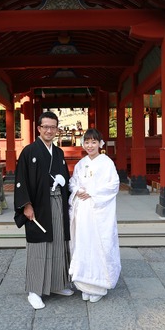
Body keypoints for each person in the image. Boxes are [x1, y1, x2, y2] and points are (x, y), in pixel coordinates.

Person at [14, 111, 73, 309]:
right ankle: (34, 290)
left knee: (58, 242)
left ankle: (56, 284)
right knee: (39, 245)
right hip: (38, 205)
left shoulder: (58, 152)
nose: (49, 130)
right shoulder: (29, 151)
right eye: (45, 127)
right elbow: (21, 180)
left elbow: (64, 177)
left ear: (57, 129)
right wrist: (26, 205)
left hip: (57, 203)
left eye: (53, 127)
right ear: (39, 128)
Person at [68, 128, 121, 303]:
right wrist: (77, 190)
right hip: (82, 210)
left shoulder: (106, 163)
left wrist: (90, 191)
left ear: (100, 144)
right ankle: (84, 284)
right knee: (83, 243)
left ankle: (99, 285)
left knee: (99, 244)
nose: (90, 145)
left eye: (94, 142)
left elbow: (113, 185)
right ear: (83, 144)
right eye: (87, 142)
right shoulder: (80, 164)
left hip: (99, 212)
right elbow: (73, 182)